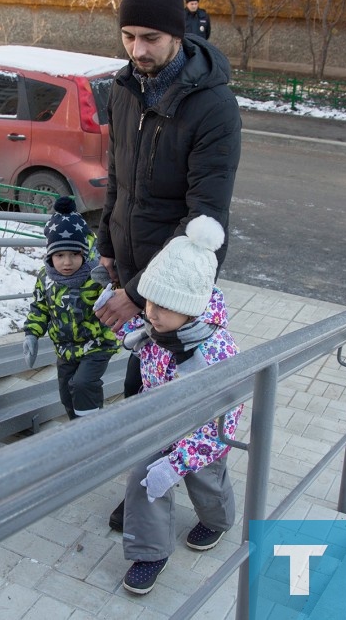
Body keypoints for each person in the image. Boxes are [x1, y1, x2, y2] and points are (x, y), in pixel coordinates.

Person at [94, 0, 242, 532]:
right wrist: (108, 239)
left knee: (187, 409)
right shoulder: (124, 88)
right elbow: (119, 173)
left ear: (177, 35)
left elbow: (207, 216)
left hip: (175, 281)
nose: (137, 50)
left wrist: (139, 293)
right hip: (129, 265)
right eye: (128, 36)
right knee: (142, 394)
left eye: (150, 37)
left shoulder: (213, 106)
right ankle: (145, 489)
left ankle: (202, 501)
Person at [114, 215, 243, 595]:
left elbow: (223, 422)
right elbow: (148, 335)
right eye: (150, 301)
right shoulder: (162, 326)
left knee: (206, 479)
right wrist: (126, 328)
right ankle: (150, 552)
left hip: (202, 432)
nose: (151, 313)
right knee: (144, 478)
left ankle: (218, 520)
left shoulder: (215, 353)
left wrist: (180, 462)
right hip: (159, 417)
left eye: (163, 307)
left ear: (192, 308)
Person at [22, 197, 118, 420]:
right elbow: (39, 308)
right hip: (65, 349)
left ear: (84, 254)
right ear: (50, 256)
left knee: (83, 384)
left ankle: (93, 430)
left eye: (74, 255)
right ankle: (77, 429)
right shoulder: (45, 278)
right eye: (59, 255)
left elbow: (114, 299)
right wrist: (32, 334)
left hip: (97, 344)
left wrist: (109, 285)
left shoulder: (95, 276)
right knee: (67, 394)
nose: (67, 262)